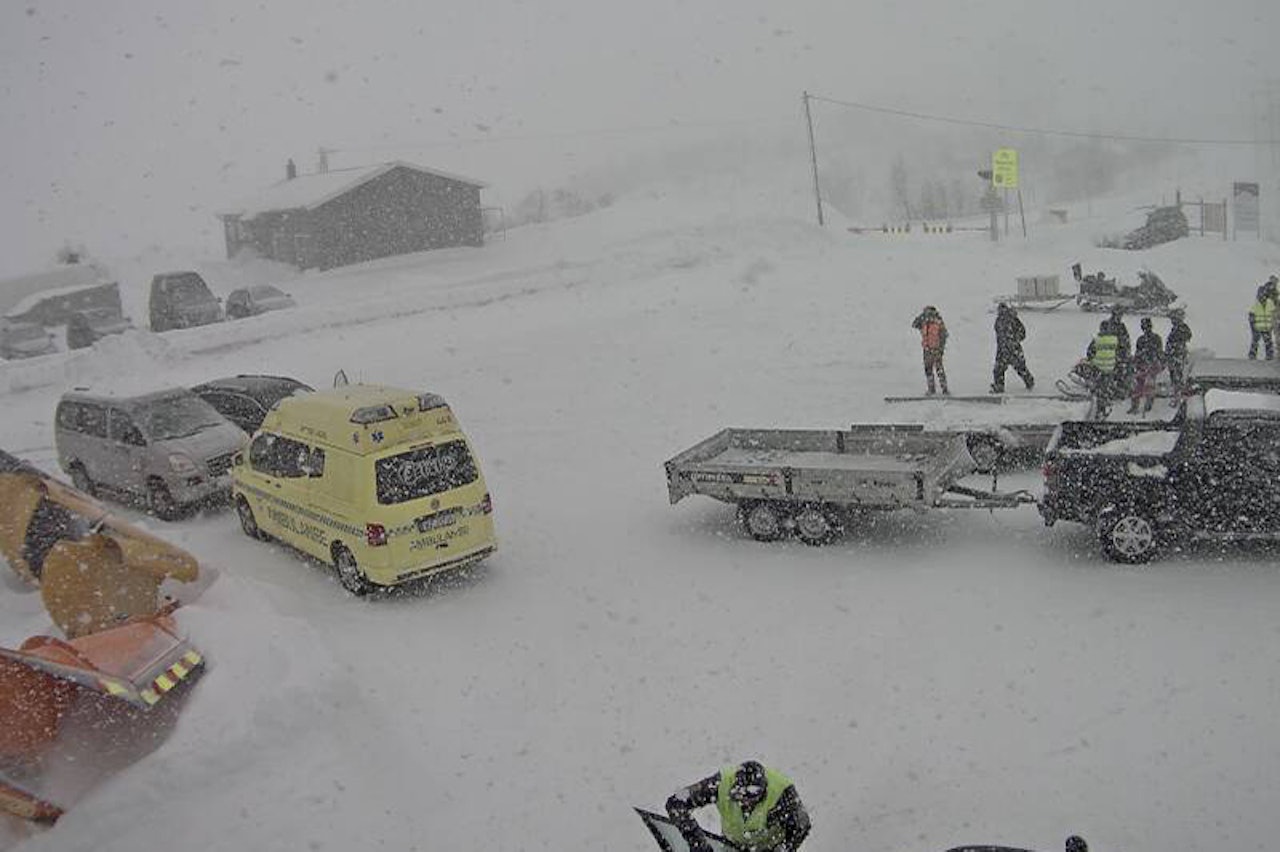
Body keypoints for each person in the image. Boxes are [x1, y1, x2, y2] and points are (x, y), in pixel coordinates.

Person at [666, 761, 811, 852]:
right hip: (732, 846)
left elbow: (801, 826)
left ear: (763, 792)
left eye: (751, 799)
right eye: (739, 798)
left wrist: (782, 850)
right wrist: (697, 843)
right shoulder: (719, 784)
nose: (745, 804)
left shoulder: (782, 793)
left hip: (770, 846)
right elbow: (675, 803)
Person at [990, 302, 1034, 393]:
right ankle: (999, 386)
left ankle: (1029, 381)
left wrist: (1014, 340)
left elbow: (1022, 332)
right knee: (1000, 369)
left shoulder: (1011, 319)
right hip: (1005, 350)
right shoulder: (999, 321)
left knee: (1018, 368)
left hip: (1011, 350)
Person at [1127, 317, 1164, 414]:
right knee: (1148, 386)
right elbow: (1159, 353)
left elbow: (1138, 353)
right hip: (1151, 365)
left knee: (1139, 386)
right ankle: (1147, 405)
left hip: (1145, 365)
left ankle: (1136, 406)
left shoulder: (1141, 339)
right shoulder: (1156, 338)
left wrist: (1136, 363)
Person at [911, 305, 949, 395]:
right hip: (927, 349)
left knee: (939, 369)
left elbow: (944, 335)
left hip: (936, 349)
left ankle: (944, 389)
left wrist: (941, 349)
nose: (929, 315)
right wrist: (922, 317)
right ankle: (931, 389)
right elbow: (914, 324)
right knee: (928, 369)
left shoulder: (938, 322)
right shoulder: (924, 322)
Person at [1164, 308, 1193, 397]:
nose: (1172, 321)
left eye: (1173, 319)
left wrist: (1176, 347)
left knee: (1177, 375)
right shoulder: (1177, 328)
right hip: (1175, 355)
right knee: (1175, 375)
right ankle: (1178, 393)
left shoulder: (1181, 328)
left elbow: (1187, 337)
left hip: (1177, 355)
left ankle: (1179, 394)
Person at [1247, 285, 1275, 360]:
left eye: (1264, 294)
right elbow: (1251, 316)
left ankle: (1270, 356)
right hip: (1257, 327)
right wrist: (1253, 326)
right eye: (1261, 294)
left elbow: (1273, 314)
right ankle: (1252, 355)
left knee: (1268, 342)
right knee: (1255, 341)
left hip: (1267, 327)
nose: (1262, 296)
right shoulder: (1256, 305)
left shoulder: (1270, 303)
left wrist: (1273, 324)